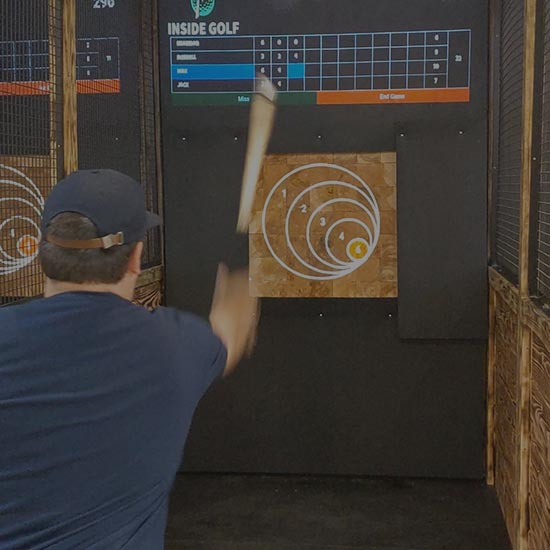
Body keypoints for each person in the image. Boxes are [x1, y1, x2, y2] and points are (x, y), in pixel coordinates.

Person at [0, 169, 259, 549]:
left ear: (41, 253)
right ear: (136, 257)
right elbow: (228, 334)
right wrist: (239, 297)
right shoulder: (178, 343)